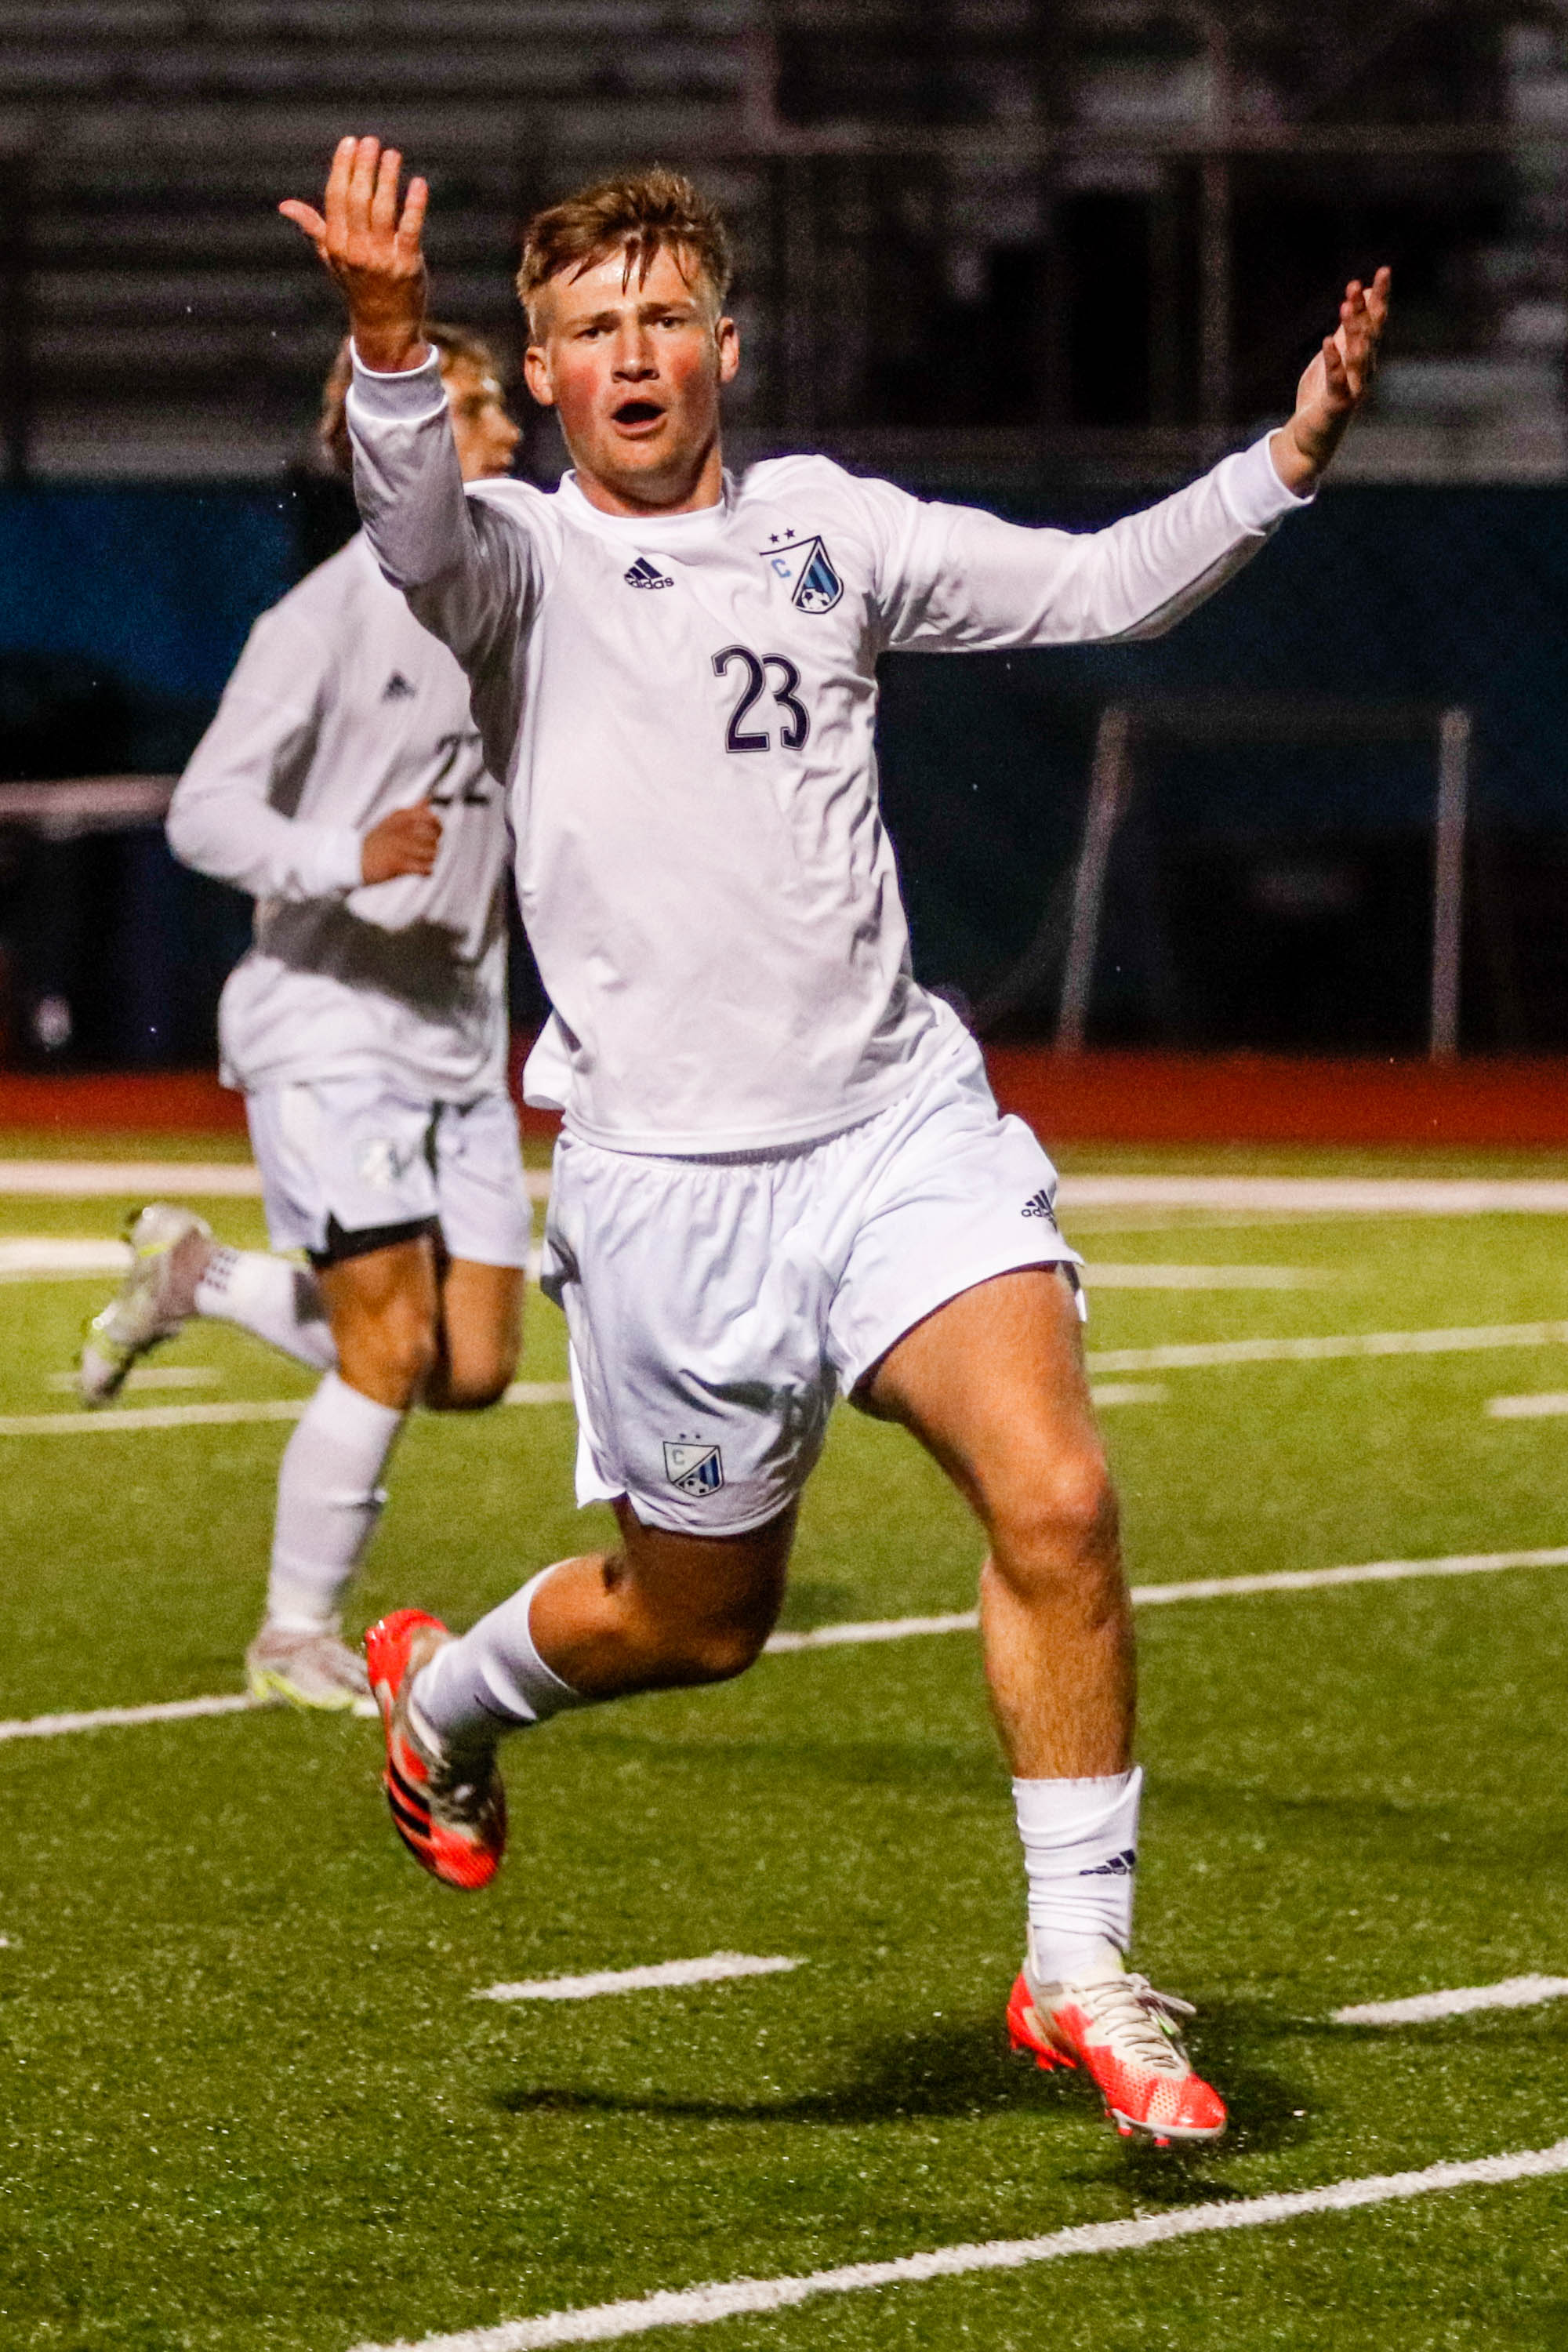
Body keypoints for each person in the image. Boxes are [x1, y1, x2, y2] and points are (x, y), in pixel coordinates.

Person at [283, 136, 1388, 2141]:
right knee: (695, 1622)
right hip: (667, 1191)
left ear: (727, 345)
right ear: (535, 374)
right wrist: (379, 331)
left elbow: (1098, 584)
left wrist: (1287, 454)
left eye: (662, 318)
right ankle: (442, 1700)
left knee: (1054, 1500)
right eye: (588, 330)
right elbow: (408, 521)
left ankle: (1078, 1974)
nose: (631, 356)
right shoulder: (515, 561)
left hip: (895, 1128)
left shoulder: (830, 529)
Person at [78, 323, 532, 1717]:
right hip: (328, 1014)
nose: (508, 427)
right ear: (390, 440)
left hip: (458, 1022)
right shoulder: (323, 619)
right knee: (387, 1349)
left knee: (473, 1369)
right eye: (477, 405)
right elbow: (205, 809)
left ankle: (200, 1280)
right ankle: (292, 1632)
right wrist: (345, 856)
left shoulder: (513, 583)